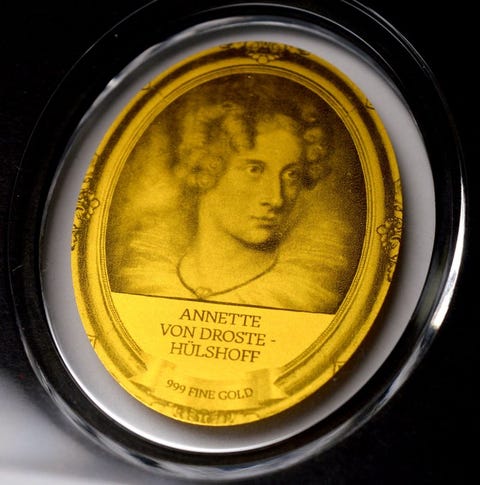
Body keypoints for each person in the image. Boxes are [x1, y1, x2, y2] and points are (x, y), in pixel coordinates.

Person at [109, 74, 354, 313]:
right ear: (207, 167)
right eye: (254, 170)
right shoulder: (146, 276)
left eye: (291, 175)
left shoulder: (300, 295)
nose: (276, 198)